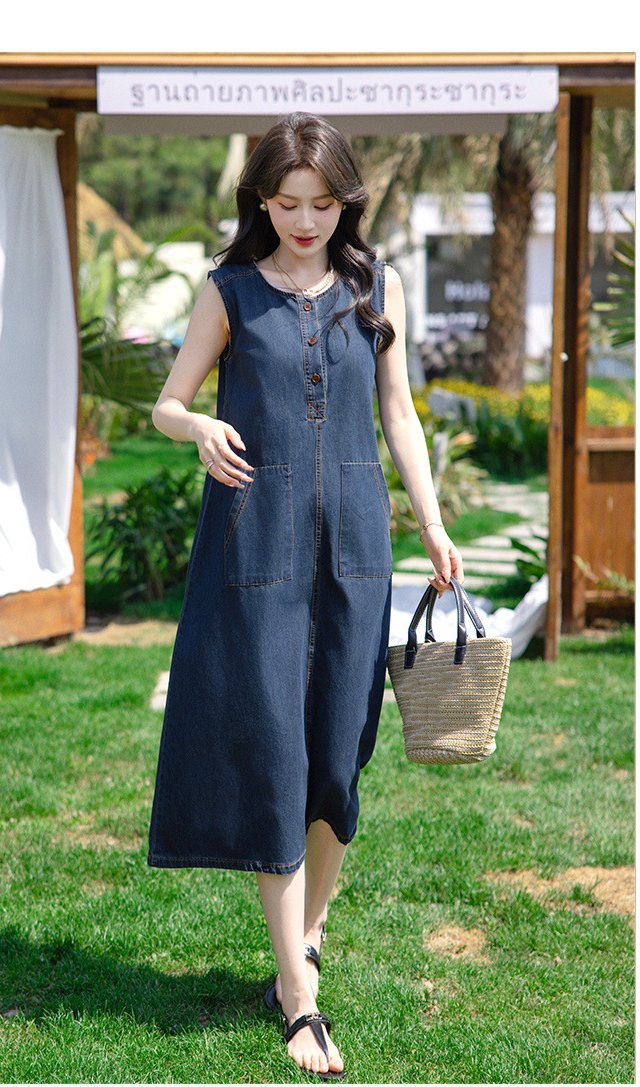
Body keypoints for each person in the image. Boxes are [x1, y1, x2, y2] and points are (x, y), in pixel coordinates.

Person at [147, 111, 464, 1080]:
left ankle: (308, 931)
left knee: (337, 758)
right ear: (262, 201)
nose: (303, 221)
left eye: (321, 204)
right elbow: (167, 402)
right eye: (286, 203)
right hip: (256, 550)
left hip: (357, 549)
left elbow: (398, 413)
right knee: (277, 762)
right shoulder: (230, 291)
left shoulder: (376, 286)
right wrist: (197, 428)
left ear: (345, 203)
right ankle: (298, 994)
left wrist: (432, 522)